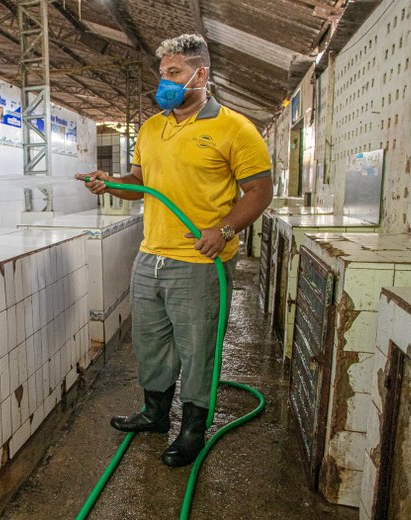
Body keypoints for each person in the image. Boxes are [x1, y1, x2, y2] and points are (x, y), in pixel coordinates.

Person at [76, 33, 272, 467]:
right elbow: (139, 183)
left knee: (198, 346)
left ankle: (192, 431)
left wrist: (222, 229)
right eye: (161, 73)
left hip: (201, 261)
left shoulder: (235, 128)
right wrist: (110, 183)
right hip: (151, 256)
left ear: (201, 74)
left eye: (173, 73)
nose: (163, 82)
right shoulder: (151, 127)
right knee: (150, 342)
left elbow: (260, 191)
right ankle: (155, 414)